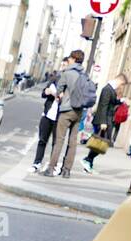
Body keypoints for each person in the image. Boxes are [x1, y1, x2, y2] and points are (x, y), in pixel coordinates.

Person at [43, 50, 92, 179]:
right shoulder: (85, 74)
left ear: (74, 59)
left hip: (66, 111)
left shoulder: (67, 73)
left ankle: (51, 168)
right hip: (79, 112)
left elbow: (59, 90)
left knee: (59, 140)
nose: (69, 60)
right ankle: (66, 171)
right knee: (72, 142)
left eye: (70, 58)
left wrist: (61, 96)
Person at [81, 75, 125, 173]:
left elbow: (110, 103)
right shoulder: (107, 89)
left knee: (99, 143)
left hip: (105, 120)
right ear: (119, 80)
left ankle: (88, 163)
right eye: (122, 84)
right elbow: (104, 106)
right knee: (102, 143)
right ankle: (87, 160)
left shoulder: (111, 89)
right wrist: (103, 122)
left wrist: (119, 101)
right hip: (103, 120)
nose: (121, 87)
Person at [30, 74, 59, 171]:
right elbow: (43, 94)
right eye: (62, 65)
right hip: (47, 115)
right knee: (42, 140)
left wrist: (55, 94)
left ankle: (52, 166)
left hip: (59, 118)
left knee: (56, 143)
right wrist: (46, 92)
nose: (63, 67)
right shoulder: (53, 80)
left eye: (65, 65)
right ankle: (36, 163)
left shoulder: (67, 83)